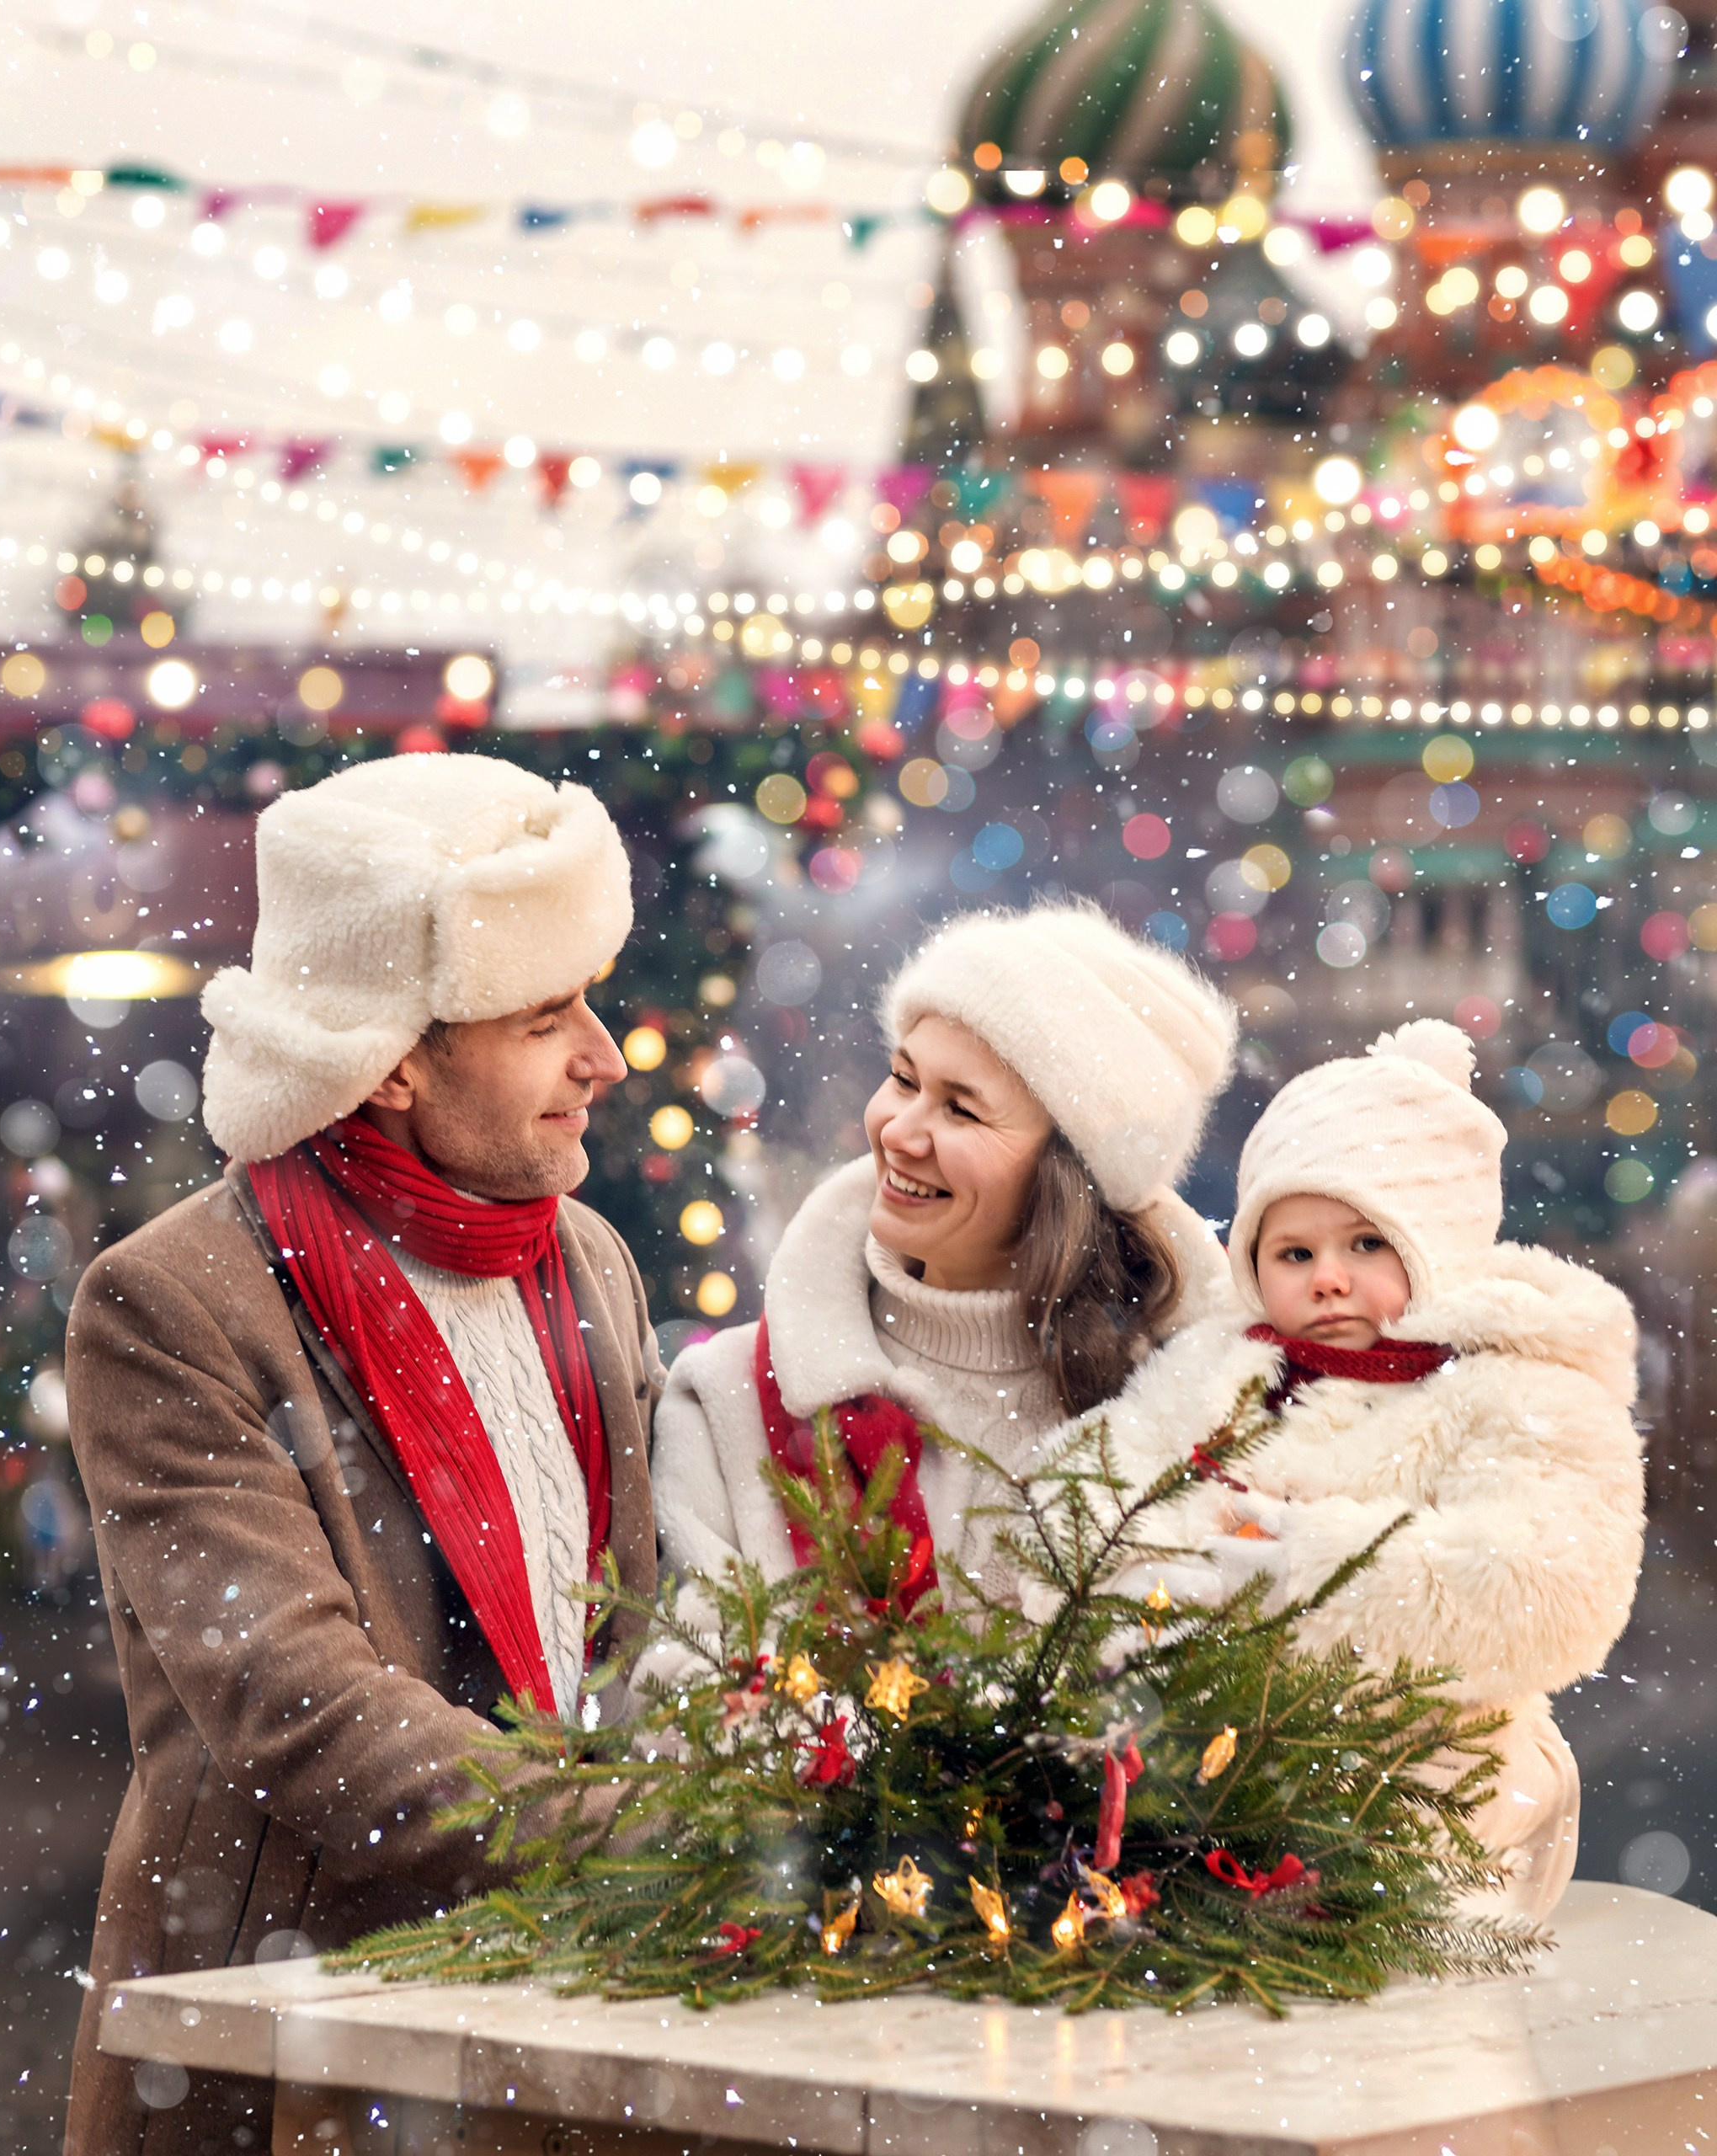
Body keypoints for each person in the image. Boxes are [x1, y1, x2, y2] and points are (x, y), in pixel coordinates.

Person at [62, 755, 663, 2156]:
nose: (605, 1056)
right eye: (544, 1018)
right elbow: (310, 1723)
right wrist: (656, 1836)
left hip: (572, 2018)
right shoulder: (174, 1304)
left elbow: (638, 1636)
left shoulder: (587, 1257)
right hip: (293, 2042)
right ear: (389, 1059)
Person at [1099, 1019, 1645, 1919]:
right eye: (1294, 1252)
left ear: (1438, 1243)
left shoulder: (1515, 1385)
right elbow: (1100, 1480)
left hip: (1431, 1782)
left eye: (1366, 1244)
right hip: (1210, 1776)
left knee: (1401, 1954)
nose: (1327, 1278)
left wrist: (1310, 1571)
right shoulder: (1221, 1366)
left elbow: (1555, 1581)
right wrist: (1158, 1582)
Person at [650, 902, 1237, 1616]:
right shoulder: (729, 1399)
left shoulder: (1195, 1426)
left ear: (1065, 1179)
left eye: (962, 1110)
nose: (898, 1132)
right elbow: (683, 1672)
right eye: (903, 1079)